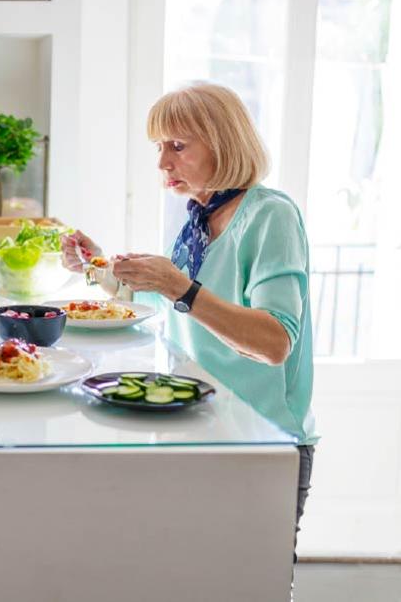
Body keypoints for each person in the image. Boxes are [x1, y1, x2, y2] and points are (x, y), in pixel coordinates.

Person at [62, 82, 317, 557]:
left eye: (178, 146)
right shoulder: (201, 217)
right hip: (204, 429)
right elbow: (174, 305)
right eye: (159, 148)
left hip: (262, 442)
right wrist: (98, 266)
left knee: (249, 585)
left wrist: (179, 285)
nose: (162, 163)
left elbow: (274, 341)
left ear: (224, 143)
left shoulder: (270, 217)